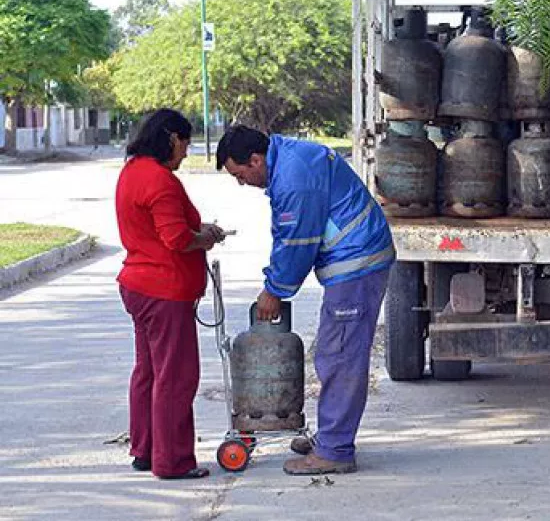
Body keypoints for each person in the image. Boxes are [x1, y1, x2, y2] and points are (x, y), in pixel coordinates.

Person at [216, 125, 394, 475]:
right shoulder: (287, 157)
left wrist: (275, 290)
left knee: (339, 357)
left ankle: (335, 451)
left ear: (255, 159)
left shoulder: (294, 178)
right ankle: (330, 437)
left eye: (240, 175)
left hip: (356, 263)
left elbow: (296, 241)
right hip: (355, 259)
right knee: (334, 353)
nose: (242, 183)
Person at [115, 108, 226, 480]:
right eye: (185, 144)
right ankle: (173, 461)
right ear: (172, 138)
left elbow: (165, 227)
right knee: (175, 377)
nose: (185, 152)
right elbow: (177, 239)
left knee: (148, 372)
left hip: (139, 286)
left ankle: (145, 450)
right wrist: (205, 238)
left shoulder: (132, 172)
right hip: (165, 291)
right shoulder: (160, 180)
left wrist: (199, 229)